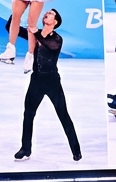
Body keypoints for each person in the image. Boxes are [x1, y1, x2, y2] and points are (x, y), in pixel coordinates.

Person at [14, 9, 82, 162]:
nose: (46, 13)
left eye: (51, 13)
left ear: (55, 21)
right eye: (46, 12)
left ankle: (76, 150)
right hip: (36, 80)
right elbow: (10, 27)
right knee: (28, 115)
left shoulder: (57, 39)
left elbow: (50, 45)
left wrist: (35, 32)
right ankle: (25, 148)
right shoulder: (33, 34)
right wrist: (18, 12)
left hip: (52, 81)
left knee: (63, 115)